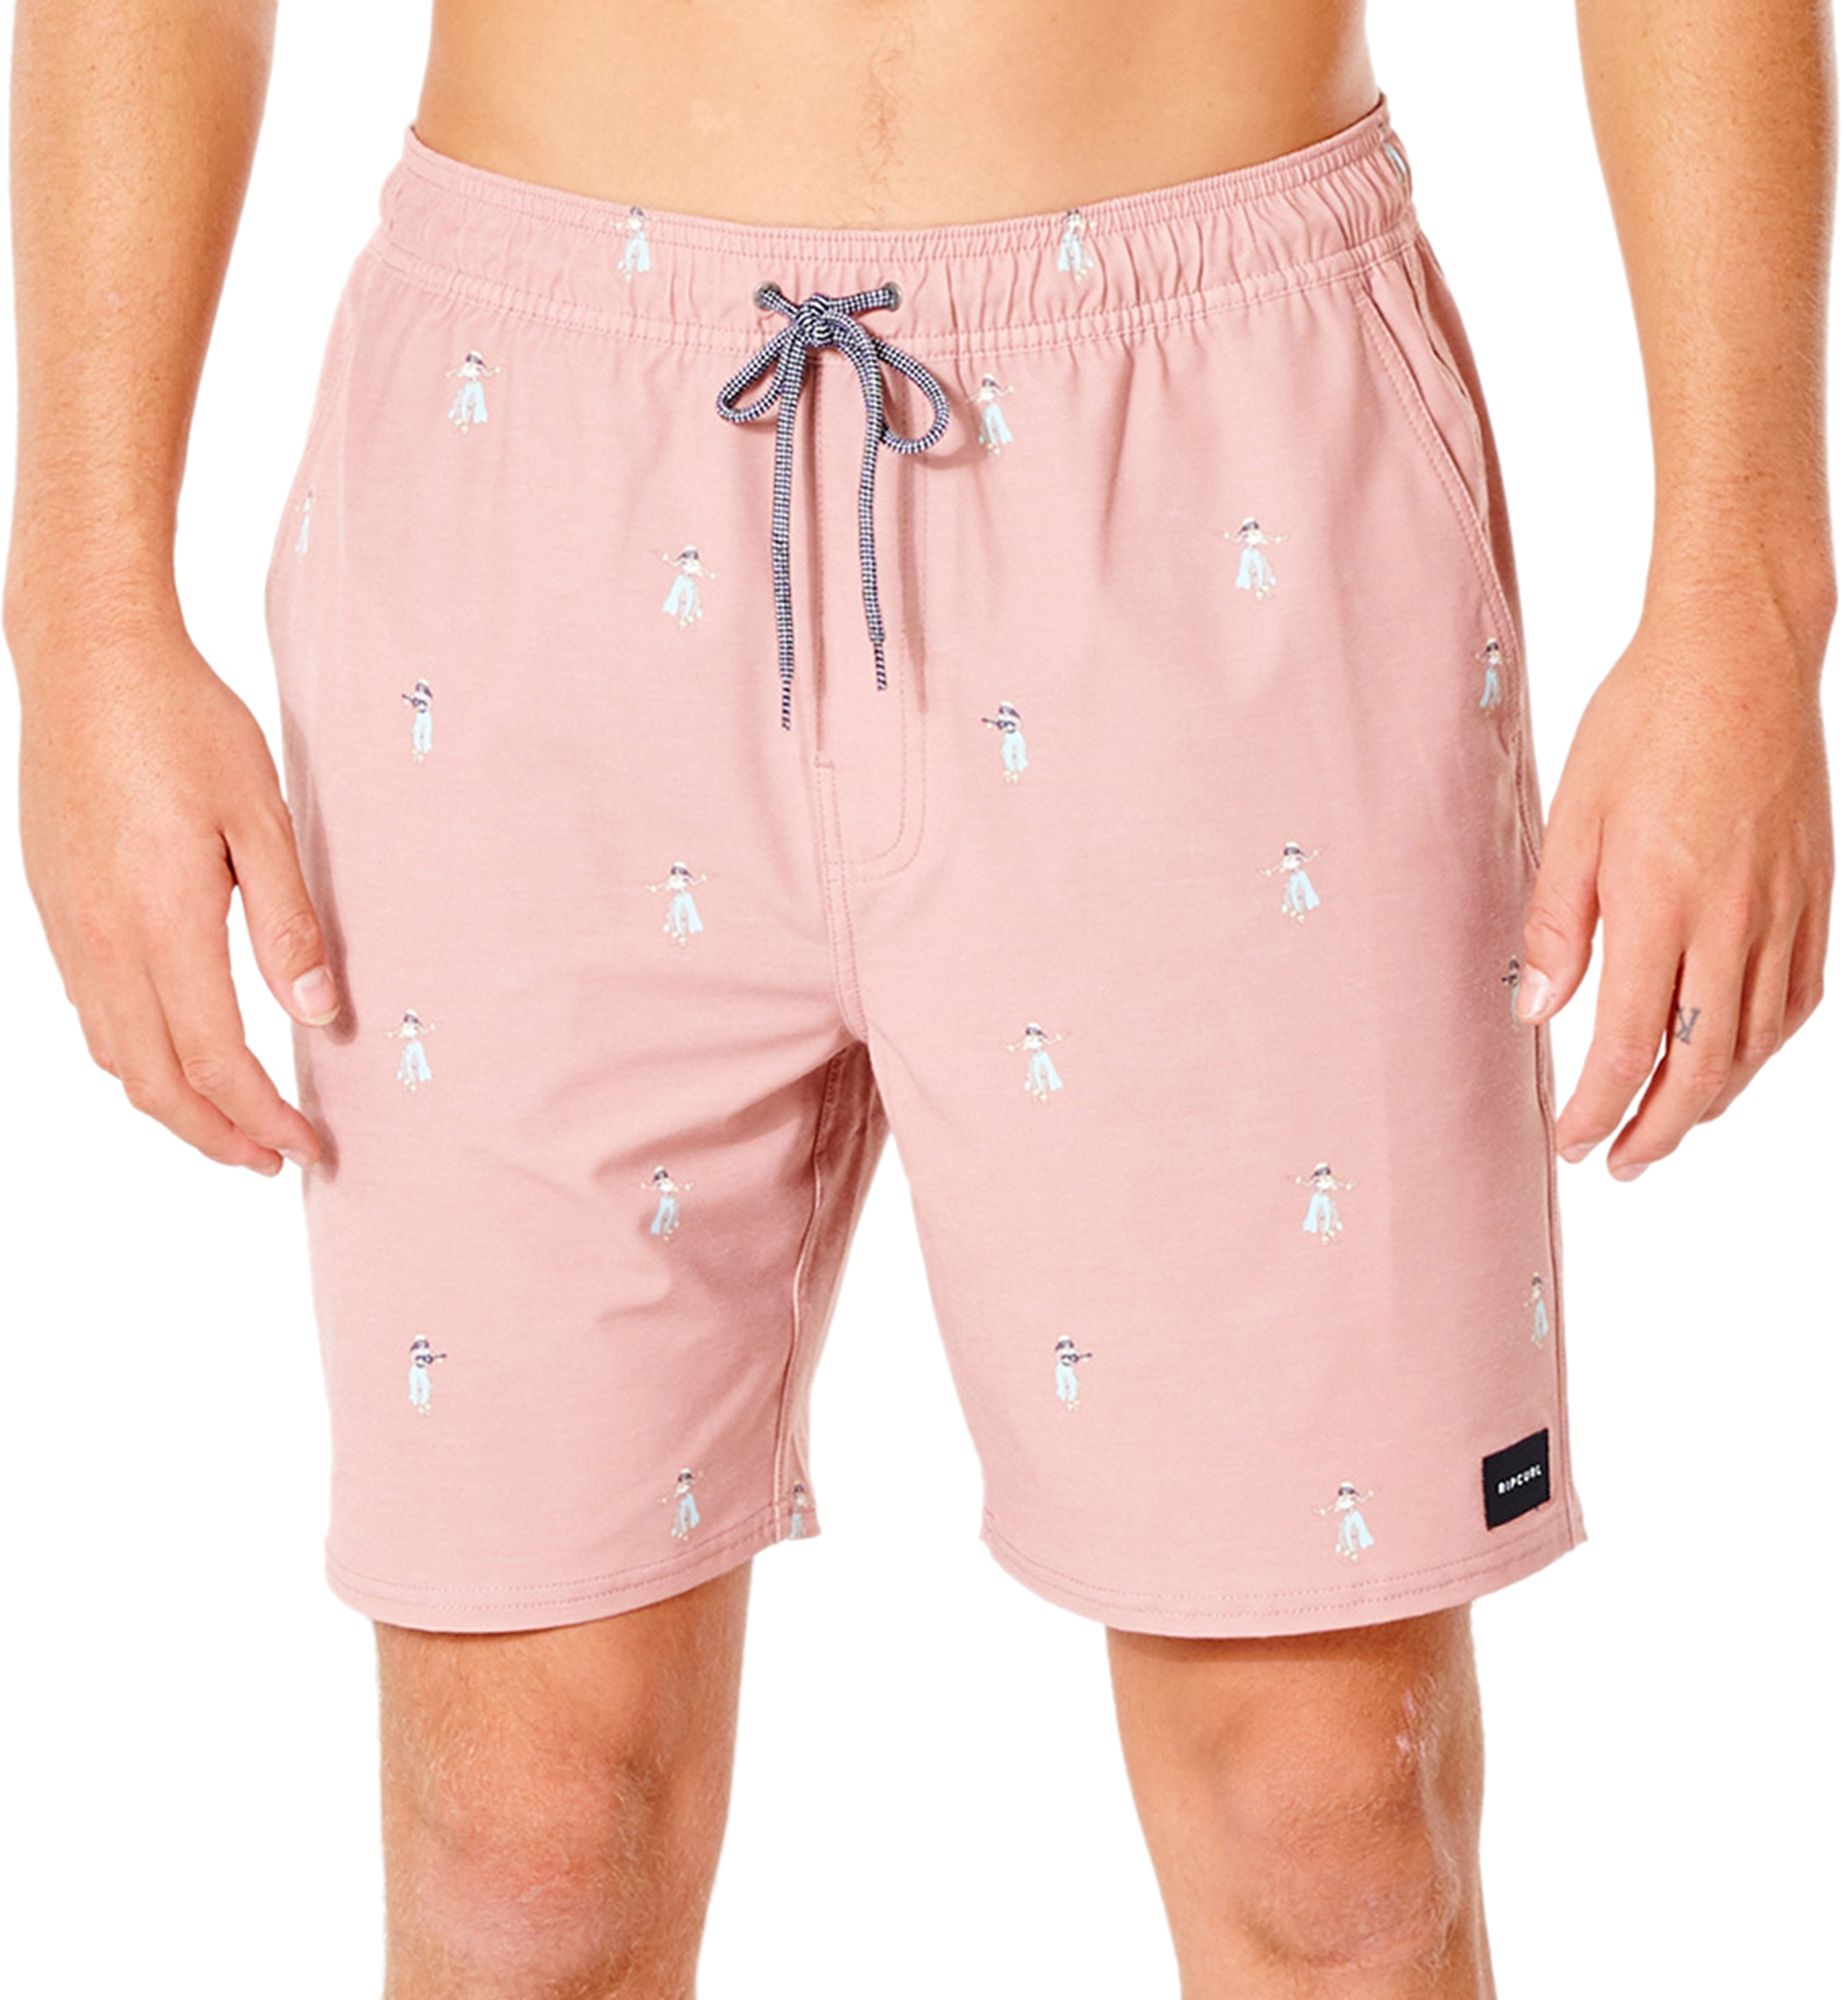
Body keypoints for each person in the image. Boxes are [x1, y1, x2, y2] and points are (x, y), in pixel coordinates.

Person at [5, 3, 1834, 1994]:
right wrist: (83, 608)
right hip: (526, 477)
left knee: (1330, 1836)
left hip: (1210, 451)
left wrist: (1743, 597)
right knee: (525, 1850)